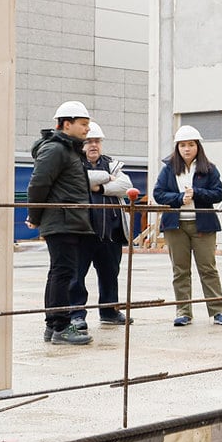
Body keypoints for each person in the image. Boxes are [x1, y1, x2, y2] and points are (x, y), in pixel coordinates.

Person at [25, 101, 96, 346]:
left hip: (69, 219)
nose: (88, 129)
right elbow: (38, 184)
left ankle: (53, 325)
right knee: (63, 273)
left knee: (59, 272)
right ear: (67, 124)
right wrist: (34, 216)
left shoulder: (69, 149)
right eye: (83, 124)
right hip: (62, 220)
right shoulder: (56, 149)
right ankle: (61, 327)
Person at [153, 125, 222, 328]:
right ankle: (183, 311)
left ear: (198, 146)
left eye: (190, 144)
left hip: (202, 225)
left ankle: (218, 311)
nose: (186, 149)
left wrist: (196, 193)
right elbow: (158, 193)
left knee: (208, 268)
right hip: (175, 225)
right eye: (182, 145)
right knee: (180, 270)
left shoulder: (209, 169)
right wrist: (180, 197)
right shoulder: (169, 169)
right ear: (177, 147)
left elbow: (218, 193)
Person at [76, 123, 132, 328]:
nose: (93, 145)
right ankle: (76, 315)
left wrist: (99, 188)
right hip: (83, 232)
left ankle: (109, 311)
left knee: (110, 273)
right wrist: (108, 181)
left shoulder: (112, 164)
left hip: (111, 232)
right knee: (76, 276)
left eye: (97, 141)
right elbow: (80, 181)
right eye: (89, 141)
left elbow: (126, 186)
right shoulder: (75, 164)